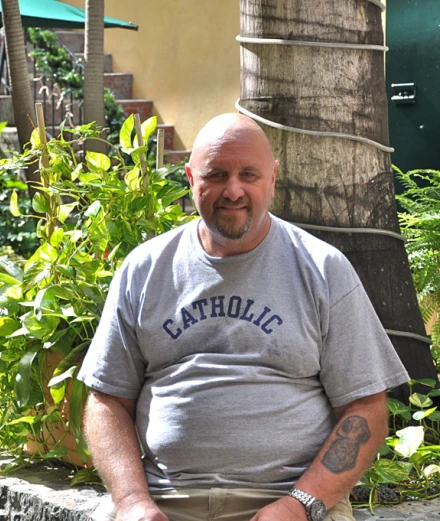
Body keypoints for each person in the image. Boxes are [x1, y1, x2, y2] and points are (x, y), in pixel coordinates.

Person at [78, 114, 410, 521]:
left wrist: (300, 505)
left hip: (289, 500)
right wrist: (131, 503)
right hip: (164, 501)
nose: (232, 190)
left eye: (248, 174)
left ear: (272, 178)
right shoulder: (144, 269)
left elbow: (366, 409)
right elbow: (107, 399)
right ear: (190, 178)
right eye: (216, 174)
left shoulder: (323, 269)